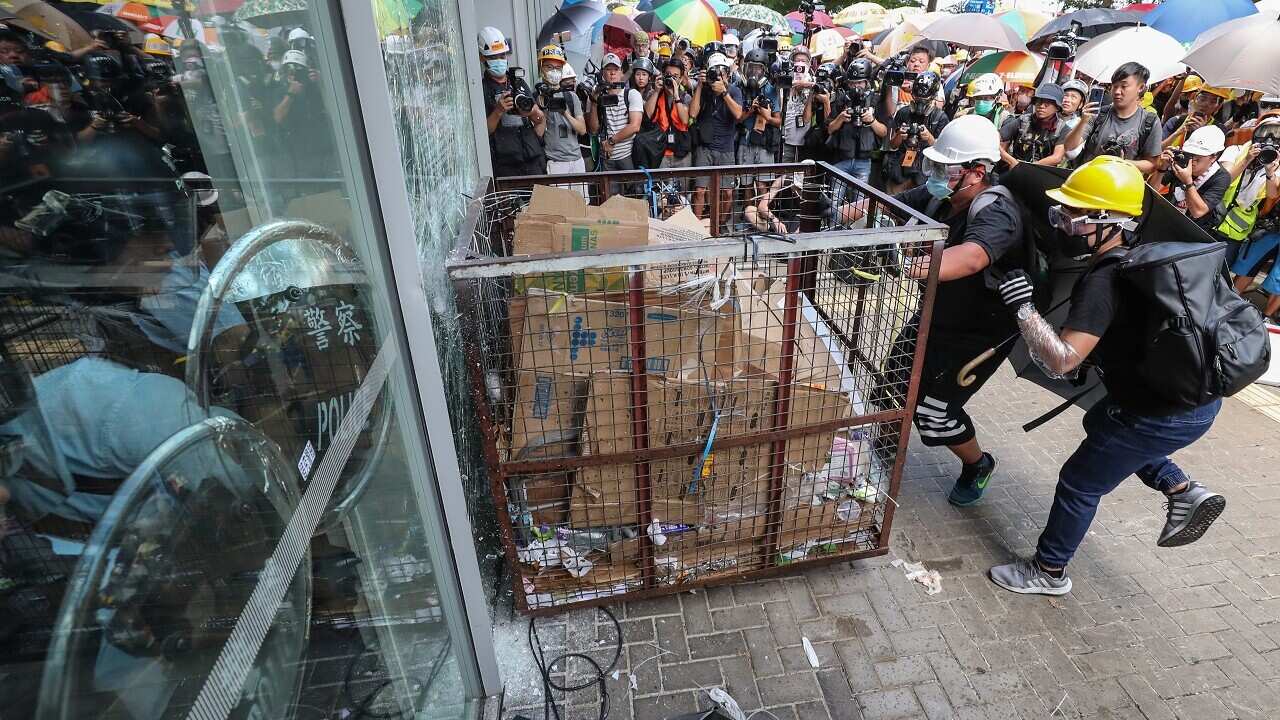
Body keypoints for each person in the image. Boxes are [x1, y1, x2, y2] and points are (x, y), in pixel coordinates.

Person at [989, 157, 1227, 596]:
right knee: (1098, 421)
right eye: (1062, 214)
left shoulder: (1105, 279)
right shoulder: (1143, 258)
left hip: (1163, 413)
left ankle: (1048, 571)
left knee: (1080, 481)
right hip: (1190, 401)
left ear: (1108, 221)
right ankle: (1182, 489)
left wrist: (1023, 308)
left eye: (1073, 217)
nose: (1062, 226)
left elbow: (1062, 359)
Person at [840, 115, 1028, 505]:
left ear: (976, 172)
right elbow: (884, 204)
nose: (935, 173)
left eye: (945, 167)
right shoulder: (940, 195)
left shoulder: (996, 211)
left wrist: (904, 266)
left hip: (982, 331)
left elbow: (974, 256)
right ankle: (885, 447)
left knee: (935, 413)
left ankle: (978, 464)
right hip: (937, 314)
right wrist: (829, 216)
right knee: (893, 384)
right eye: (935, 165)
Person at [1065, 62, 1163, 173]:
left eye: (1124, 86)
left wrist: (1121, 162)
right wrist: (1083, 121)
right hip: (1086, 180)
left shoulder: (1150, 121)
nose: (1117, 91)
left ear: (1140, 88)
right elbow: (1069, 146)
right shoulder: (1098, 114)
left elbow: (1152, 164)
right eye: (1114, 86)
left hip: (1120, 186)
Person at [478, 26, 545, 177]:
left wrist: (532, 111)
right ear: (483, 58)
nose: (499, 60)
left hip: (533, 159)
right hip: (506, 166)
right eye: (493, 57)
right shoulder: (481, 89)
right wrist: (498, 111)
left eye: (502, 56)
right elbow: (483, 132)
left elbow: (540, 119)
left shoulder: (518, 83)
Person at [1215, 119, 1280, 265]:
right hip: (1213, 218)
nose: (1270, 138)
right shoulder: (1235, 150)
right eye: (1265, 131)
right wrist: (1247, 160)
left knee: (1220, 269)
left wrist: (1270, 172)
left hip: (1236, 230)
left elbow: (1272, 194)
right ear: (1255, 133)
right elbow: (1225, 180)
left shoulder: (1276, 164)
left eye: (1277, 134)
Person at [690, 52, 744, 224]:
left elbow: (737, 114)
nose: (718, 76)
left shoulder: (734, 90)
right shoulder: (704, 90)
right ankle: (697, 229)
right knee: (699, 189)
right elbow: (692, 113)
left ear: (728, 74)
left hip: (726, 148)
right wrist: (699, 85)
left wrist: (724, 93)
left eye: (722, 72)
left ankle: (719, 227)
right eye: (715, 72)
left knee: (727, 192)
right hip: (704, 147)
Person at [1155, 125, 1231, 234]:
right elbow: (1151, 189)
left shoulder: (1221, 177)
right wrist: (1161, 168)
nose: (1192, 161)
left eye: (1198, 158)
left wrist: (1188, 182)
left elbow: (1198, 211)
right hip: (1166, 221)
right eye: (1189, 154)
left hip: (1191, 232)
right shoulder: (1181, 161)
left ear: (1214, 157)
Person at [883, 71, 949, 194]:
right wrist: (899, 136)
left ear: (933, 97)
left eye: (924, 101)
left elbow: (943, 152)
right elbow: (892, 145)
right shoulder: (903, 112)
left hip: (924, 172)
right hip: (900, 168)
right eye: (917, 100)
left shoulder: (940, 118)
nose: (920, 104)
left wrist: (929, 139)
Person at [825, 58, 887, 184]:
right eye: (852, 83)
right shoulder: (842, 98)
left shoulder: (875, 100)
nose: (856, 87)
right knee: (835, 200)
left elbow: (884, 132)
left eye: (859, 83)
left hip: (864, 161)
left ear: (866, 82)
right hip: (841, 158)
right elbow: (830, 129)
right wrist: (841, 118)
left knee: (860, 202)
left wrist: (872, 120)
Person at [586, 53, 643, 176]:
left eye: (616, 69)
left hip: (627, 155)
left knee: (631, 194)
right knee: (608, 194)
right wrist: (595, 102)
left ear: (621, 72)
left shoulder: (632, 94)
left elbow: (635, 126)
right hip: (606, 158)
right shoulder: (596, 95)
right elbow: (593, 130)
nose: (612, 73)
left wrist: (611, 142)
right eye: (608, 69)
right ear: (602, 72)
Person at [536, 45, 587, 176]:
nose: (554, 71)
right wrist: (544, 108)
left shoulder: (571, 96)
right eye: (549, 67)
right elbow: (538, 133)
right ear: (541, 68)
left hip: (577, 160)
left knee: (580, 197)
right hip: (554, 162)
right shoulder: (537, 98)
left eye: (558, 68)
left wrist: (564, 112)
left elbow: (582, 130)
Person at [737, 48, 781, 196]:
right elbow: (737, 118)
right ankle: (749, 213)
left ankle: (762, 215)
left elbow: (778, 121)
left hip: (763, 142)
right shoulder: (739, 87)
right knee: (747, 183)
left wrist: (767, 116)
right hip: (745, 141)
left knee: (762, 184)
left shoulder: (771, 90)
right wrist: (750, 110)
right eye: (751, 68)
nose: (754, 72)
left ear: (764, 71)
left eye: (758, 68)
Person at [999, 83, 1068, 168]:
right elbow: (995, 138)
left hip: (1041, 174)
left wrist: (1029, 167)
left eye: (1047, 104)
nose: (1041, 106)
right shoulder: (1023, 120)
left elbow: (1057, 158)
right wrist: (1011, 160)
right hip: (1013, 170)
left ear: (1057, 108)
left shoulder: (1062, 129)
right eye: (1039, 102)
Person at [645, 57, 692, 172]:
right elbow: (647, 115)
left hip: (681, 152)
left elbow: (685, 120)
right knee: (662, 189)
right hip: (660, 152)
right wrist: (656, 91)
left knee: (682, 189)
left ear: (681, 79)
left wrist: (676, 96)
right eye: (668, 75)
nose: (671, 79)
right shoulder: (654, 93)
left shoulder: (685, 97)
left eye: (675, 77)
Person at [1162, 84, 1230, 151]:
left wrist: (1201, 133)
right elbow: (1156, 150)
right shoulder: (1176, 121)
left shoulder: (1219, 130)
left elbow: (1212, 157)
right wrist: (1178, 132)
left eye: (1212, 102)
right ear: (1194, 98)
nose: (1205, 104)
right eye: (1202, 99)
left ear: (1218, 106)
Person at [780, 46, 815, 163]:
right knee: (784, 173)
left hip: (805, 138)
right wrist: (792, 85)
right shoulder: (786, 79)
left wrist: (806, 85)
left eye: (803, 61)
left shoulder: (813, 80)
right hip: (786, 136)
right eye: (797, 60)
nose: (800, 64)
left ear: (809, 64)